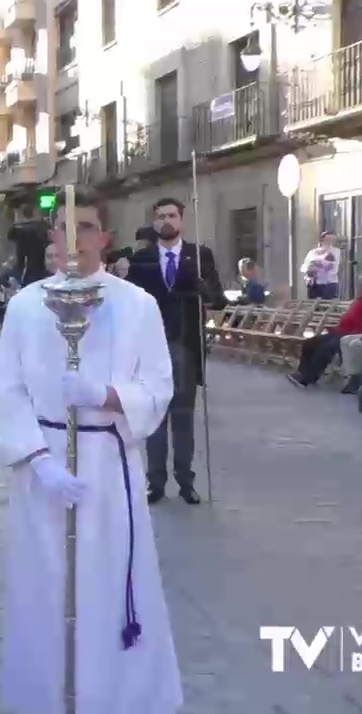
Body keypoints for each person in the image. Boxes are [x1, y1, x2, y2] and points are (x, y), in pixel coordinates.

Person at [0, 187, 181, 714]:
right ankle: (49, 702)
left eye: (88, 228)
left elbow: (159, 387)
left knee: (107, 590)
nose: (76, 239)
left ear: (106, 236)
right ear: (53, 236)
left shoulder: (137, 305)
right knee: (48, 590)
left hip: (108, 463)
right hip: (44, 469)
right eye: (65, 228)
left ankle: (116, 701)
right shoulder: (26, 306)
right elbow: (9, 390)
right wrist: (40, 461)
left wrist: (105, 396)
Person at [126, 197, 224, 505]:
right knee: (155, 416)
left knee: (183, 417)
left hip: (185, 345)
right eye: (159, 216)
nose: (165, 220)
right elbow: (128, 303)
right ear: (154, 222)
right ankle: (155, 482)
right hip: (151, 347)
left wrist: (202, 287)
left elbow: (218, 299)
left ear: (181, 220)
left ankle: (186, 482)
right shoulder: (140, 259)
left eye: (171, 215)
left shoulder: (199, 255)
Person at [300, 232, 341, 299]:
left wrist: (317, 264)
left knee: (329, 304)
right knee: (314, 305)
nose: (328, 242)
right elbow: (305, 266)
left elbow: (333, 268)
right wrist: (314, 267)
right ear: (321, 241)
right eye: (326, 239)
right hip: (315, 283)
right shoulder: (313, 252)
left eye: (330, 240)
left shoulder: (336, 251)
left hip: (330, 283)